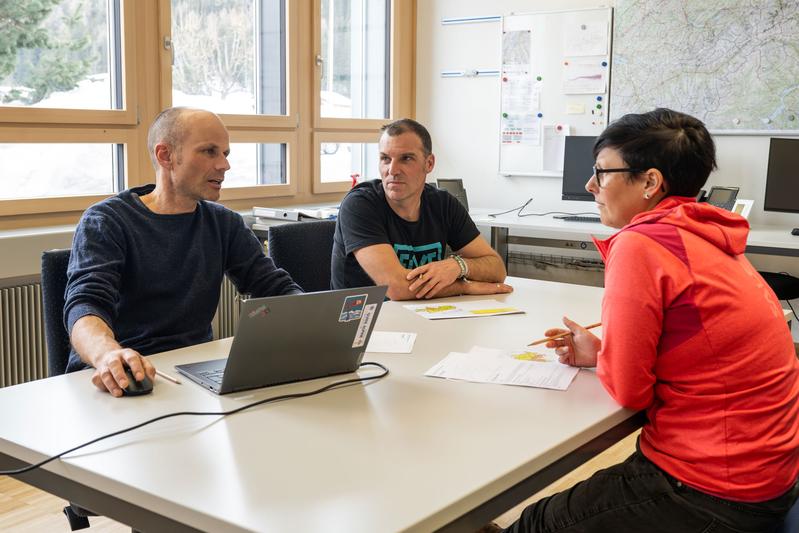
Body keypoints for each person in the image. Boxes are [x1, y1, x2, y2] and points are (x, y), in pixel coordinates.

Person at [503, 108, 799, 532]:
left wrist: (610, 361)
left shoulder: (642, 244)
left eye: (602, 172)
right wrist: (604, 352)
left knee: (534, 522)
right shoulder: (707, 232)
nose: (591, 186)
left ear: (650, 182)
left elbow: (630, 391)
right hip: (766, 471)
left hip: (715, 488)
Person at [64, 107, 302, 398]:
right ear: (165, 156)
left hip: (190, 377)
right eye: (209, 152)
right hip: (121, 381)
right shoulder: (106, 221)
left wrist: (315, 322)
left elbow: (273, 286)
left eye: (225, 153)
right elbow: (85, 306)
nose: (224, 165)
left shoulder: (222, 222)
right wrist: (107, 354)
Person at [331, 118, 512, 300]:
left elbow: (497, 269)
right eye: (385, 158)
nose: (392, 170)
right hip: (362, 321)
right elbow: (397, 288)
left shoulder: (443, 204)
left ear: (429, 163)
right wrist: (465, 287)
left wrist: (459, 266)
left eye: (406, 158)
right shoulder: (360, 205)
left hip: (422, 314)